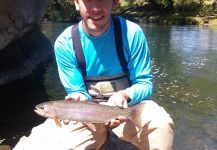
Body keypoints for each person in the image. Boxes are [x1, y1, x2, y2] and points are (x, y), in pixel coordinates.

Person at [14, 0, 174, 149]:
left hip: (129, 109)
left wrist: (125, 94)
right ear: (76, 3)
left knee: (161, 124)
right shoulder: (65, 43)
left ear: (115, 3)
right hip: (87, 116)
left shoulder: (131, 33)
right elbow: (77, 91)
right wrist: (78, 96)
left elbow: (145, 83)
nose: (96, 8)